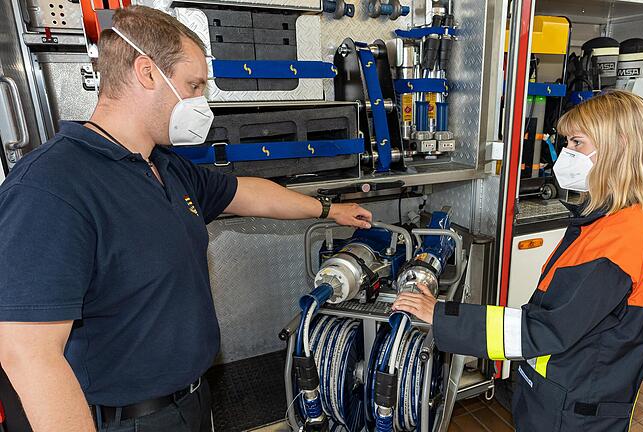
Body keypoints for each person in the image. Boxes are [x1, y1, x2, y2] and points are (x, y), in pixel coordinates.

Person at [0, 6, 372, 432]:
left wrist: (329, 209)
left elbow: (245, 193)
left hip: (192, 402)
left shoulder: (164, 166)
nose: (201, 101)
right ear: (146, 72)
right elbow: (28, 353)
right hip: (128, 421)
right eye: (193, 85)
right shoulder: (52, 187)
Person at [394, 90, 643, 432]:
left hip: (574, 411)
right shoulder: (605, 221)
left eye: (577, 143)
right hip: (563, 393)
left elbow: (545, 328)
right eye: (567, 143)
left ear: (619, 145)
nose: (567, 154)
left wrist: (442, 317)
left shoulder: (618, 241)